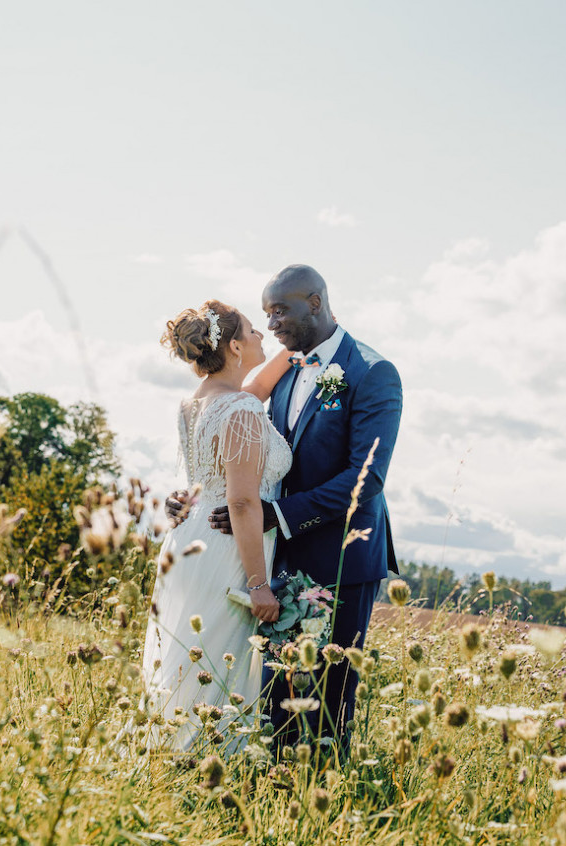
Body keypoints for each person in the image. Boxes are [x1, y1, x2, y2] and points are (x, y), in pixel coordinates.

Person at [169, 265, 403, 751]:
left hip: (339, 556)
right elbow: (237, 451)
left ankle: (324, 803)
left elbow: (369, 477)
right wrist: (189, 496)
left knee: (327, 704)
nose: (271, 324)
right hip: (269, 558)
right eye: (264, 315)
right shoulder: (277, 375)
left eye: (280, 311)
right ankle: (269, 794)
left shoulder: (372, 372)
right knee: (272, 700)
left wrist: (283, 516)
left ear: (315, 303)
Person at [141, 300, 293, 753]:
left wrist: (298, 346)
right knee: (220, 661)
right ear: (233, 346)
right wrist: (258, 585)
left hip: (191, 539)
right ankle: (208, 764)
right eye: (252, 330)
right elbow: (244, 501)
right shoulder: (242, 409)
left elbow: (255, 388)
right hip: (230, 546)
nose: (262, 335)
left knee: (191, 654)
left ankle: (169, 757)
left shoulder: (197, 401)